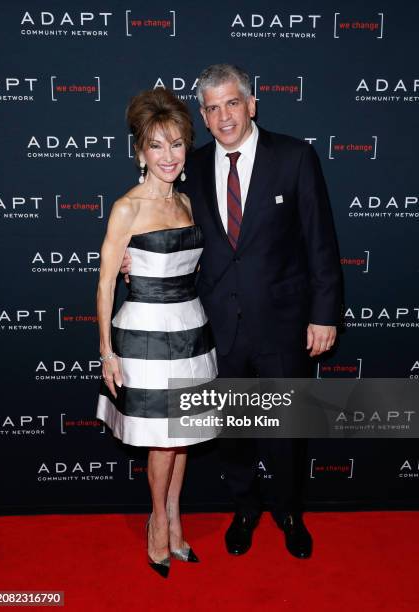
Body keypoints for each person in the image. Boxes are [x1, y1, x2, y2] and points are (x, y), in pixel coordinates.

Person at [121, 64, 342, 559]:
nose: (224, 116)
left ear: (252, 104)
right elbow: (162, 220)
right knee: (233, 432)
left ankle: (288, 512)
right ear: (202, 113)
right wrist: (133, 255)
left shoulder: (295, 157)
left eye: (232, 103)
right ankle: (245, 509)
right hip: (216, 326)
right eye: (213, 107)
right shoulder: (191, 166)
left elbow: (320, 241)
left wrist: (324, 314)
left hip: (284, 323)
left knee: (287, 430)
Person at [95, 87, 217, 578]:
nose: (168, 156)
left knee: (181, 437)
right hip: (145, 334)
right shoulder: (127, 208)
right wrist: (106, 351)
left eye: (176, 144)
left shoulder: (188, 202)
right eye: (156, 146)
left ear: (187, 147)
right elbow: (105, 283)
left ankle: (173, 517)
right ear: (139, 152)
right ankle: (156, 525)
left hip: (191, 331)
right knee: (161, 440)